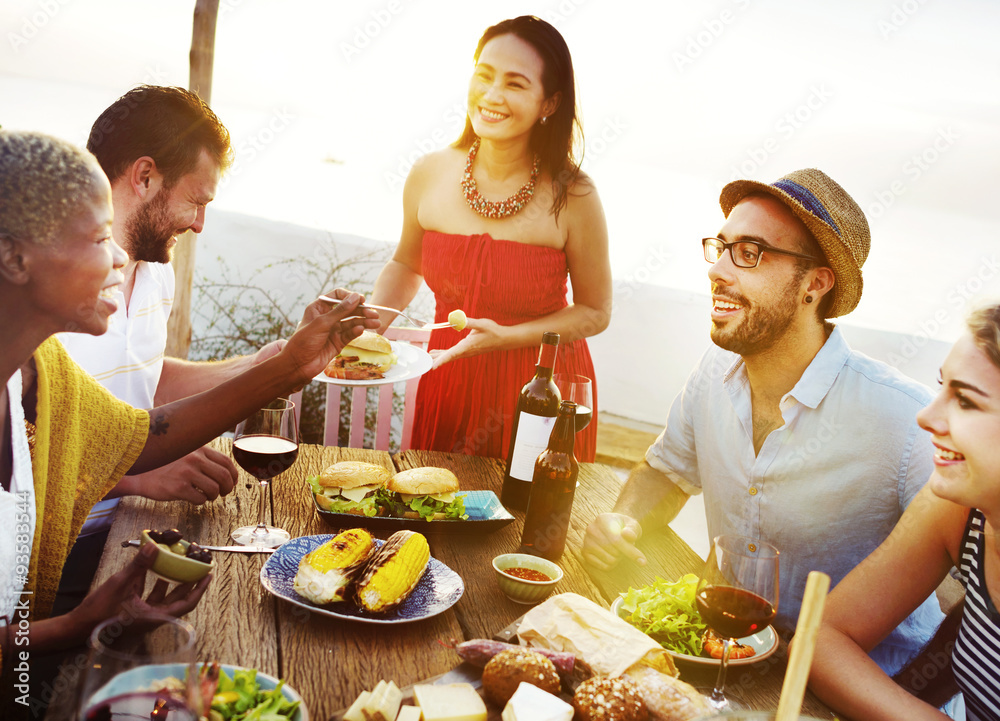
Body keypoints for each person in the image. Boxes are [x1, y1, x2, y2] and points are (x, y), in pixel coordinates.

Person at [0, 130, 376, 674]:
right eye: (98, 238)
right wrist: (74, 627)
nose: (116, 258)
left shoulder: (40, 372)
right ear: (14, 257)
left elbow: (144, 436)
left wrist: (290, 366)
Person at [581, 168, 942, 675]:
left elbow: (971, 566)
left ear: (814, 284)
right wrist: (625, 520)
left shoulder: (905, 419)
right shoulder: (713, 372)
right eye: (721, 247)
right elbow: (666, 472)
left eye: (750, 252)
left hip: (865, 687)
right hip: (734, 652)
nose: (718, 270)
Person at [52, 85, 282, 612]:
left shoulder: (156, 270)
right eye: (197, 201)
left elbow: (144, 376)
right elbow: (22, 452)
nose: (200, 223)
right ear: (145, 176)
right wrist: (137, 474)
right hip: (54, 550)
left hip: (132, 528)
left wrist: (263, 365)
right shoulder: (48, 277)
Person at [370, 15, 611, 461]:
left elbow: (595, 312)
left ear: (550, 103)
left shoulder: (575, 193)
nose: (492, 95)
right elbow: (406, 264)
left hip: (539, 390)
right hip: (447, 375)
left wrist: (508, 337)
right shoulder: (429, 172)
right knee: (432, 508)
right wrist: (367, 326)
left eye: (516, 84)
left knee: (527, 523)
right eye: (484, 75)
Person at [808, 301, 1000, 720]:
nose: (927, 415)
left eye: (965, 401)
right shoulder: (960, 509)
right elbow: (820, 637)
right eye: (942, 387)